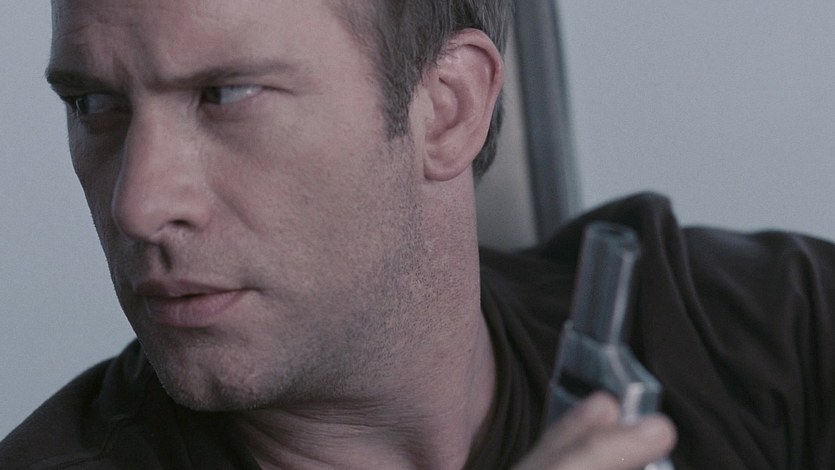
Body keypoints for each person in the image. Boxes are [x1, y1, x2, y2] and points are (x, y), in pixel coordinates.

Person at [1, 0, 832, 468]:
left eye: (225, 95)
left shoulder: (745, 333)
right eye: (93, 105)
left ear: (447, 109)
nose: (138, 205)